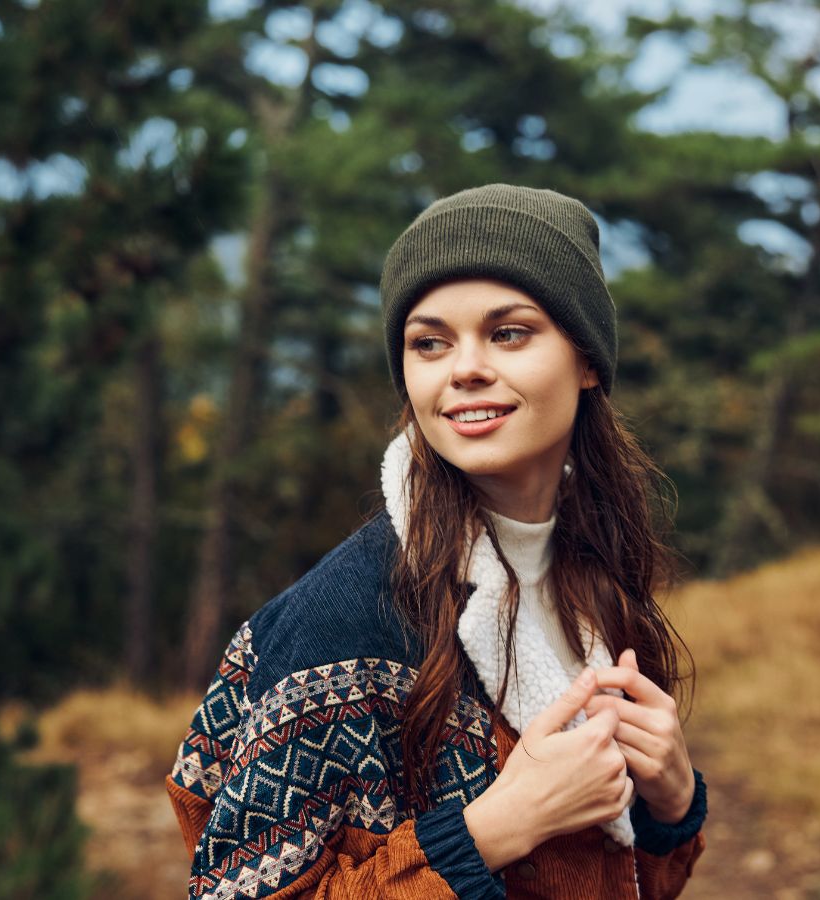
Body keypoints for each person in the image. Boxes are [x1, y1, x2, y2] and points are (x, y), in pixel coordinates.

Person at [167, 184, 706, 899]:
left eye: (508, 332)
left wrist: (671, 804)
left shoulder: (594, 575)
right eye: (429, 342)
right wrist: (494, 830)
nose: (465, 369)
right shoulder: (347, 621)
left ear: (587, 360)